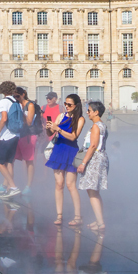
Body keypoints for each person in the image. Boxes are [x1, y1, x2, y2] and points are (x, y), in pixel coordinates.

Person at [45, 94, 85, 226]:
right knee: (59, 184)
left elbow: (73, 136)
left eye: (70, 105)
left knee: (70, 185)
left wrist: (58, 129)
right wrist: (49, 129)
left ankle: (78, 216)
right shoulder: (61, 116)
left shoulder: (80, 119)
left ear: (76, 106)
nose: (66, 107)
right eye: (65, 104)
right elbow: (51, 134)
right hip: (58, 150)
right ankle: (59, 215)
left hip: (71, 151)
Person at [76, 101, 108, 232]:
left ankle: (100, 223)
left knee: (92, 191)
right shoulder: (102, 125)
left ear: (96, 112)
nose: (87, 112)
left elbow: (93, 146)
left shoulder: (96, 126)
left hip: (94, 159)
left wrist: (83, 162)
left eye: (89, 110)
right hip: (100, 157)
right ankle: (98, 220)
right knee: (94, 191)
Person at [0, 81, 23, 198]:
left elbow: (4, 118)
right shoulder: (16, 101)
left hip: (7, 135)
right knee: (9, 162)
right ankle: (9, 188)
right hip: (16, 135)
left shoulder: (4, 101)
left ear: (2, 90)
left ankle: (13, 187)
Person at [14, 87, 39, 196]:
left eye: (18, 96)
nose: (16, 98)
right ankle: (11, 184)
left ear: (23, 94)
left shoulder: (30, 105)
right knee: (12, 159)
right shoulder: (16, 104)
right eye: (14, 97)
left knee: (29, 160)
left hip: (29, 134)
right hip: (19, 134)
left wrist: (20, 113)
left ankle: (29, 185)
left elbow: (29, 122)